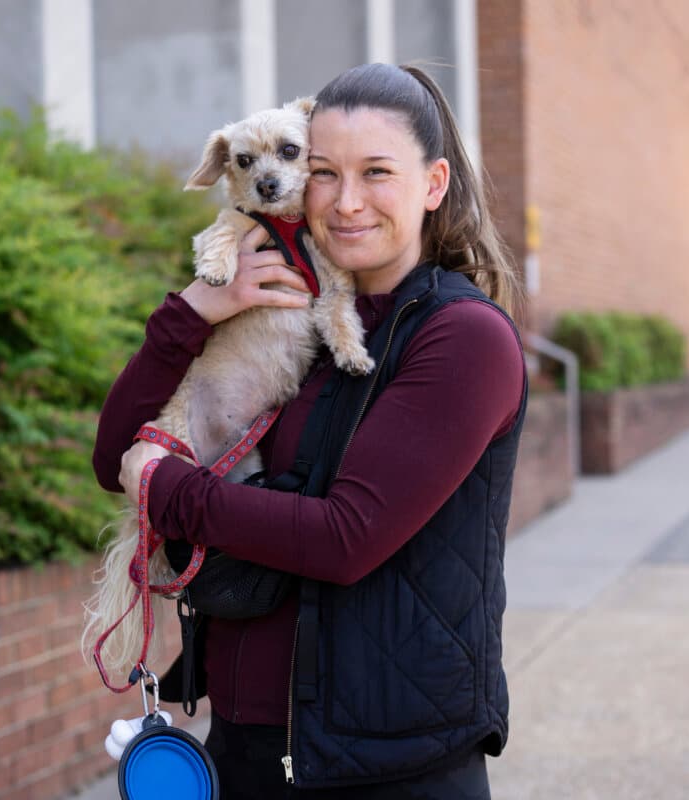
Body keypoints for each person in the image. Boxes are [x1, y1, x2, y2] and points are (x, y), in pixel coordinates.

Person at [92, 62, 526, 799]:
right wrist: (195, 312)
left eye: (377, 172)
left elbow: (343, 537)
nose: (347, 201)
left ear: (433, 183)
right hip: (249, 744)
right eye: (325, 172)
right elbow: (114, 460)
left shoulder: (462, 340)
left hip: (386, 764)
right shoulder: (291, 312)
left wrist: (171, 489)